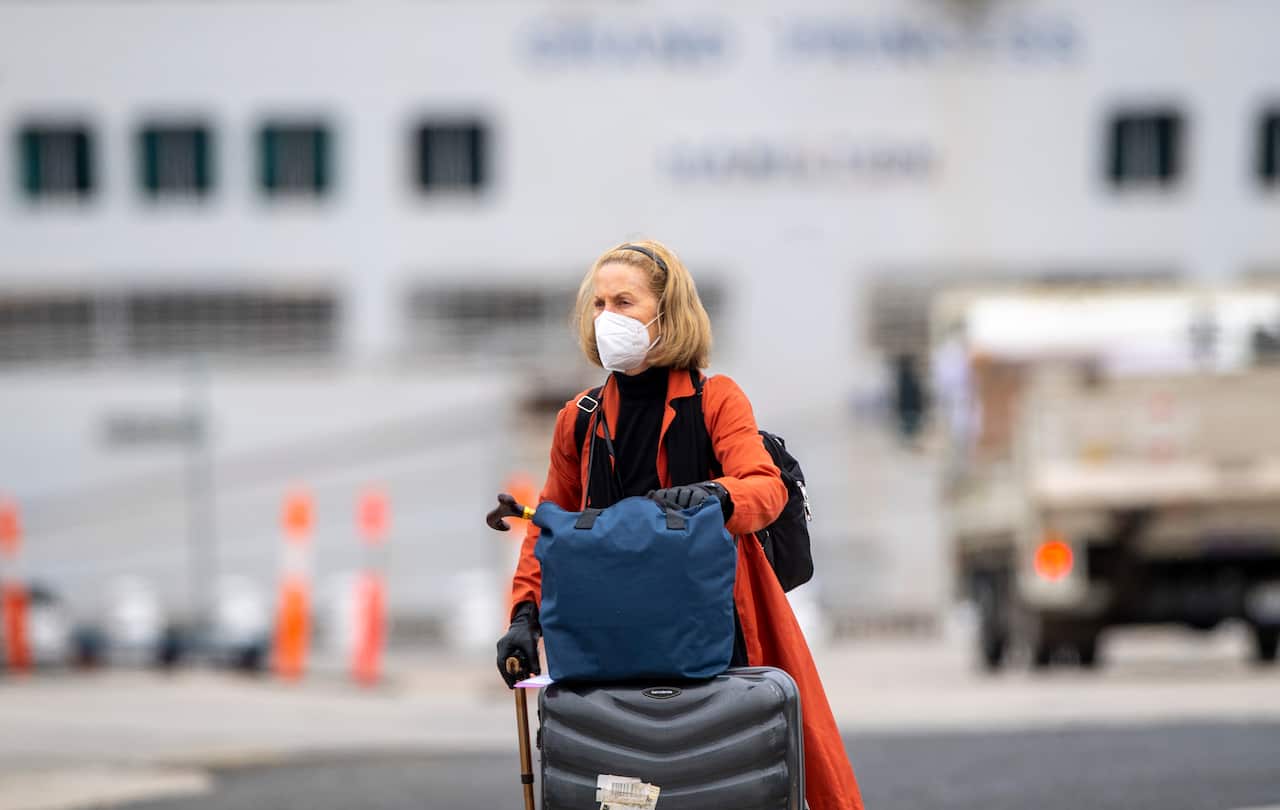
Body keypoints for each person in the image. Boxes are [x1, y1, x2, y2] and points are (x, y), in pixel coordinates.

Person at [497, 240, 864, 810]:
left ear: (668, 316)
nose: (606, 319)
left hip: (715, 635)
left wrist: (718, 494)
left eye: (624, 302)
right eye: (598, 305)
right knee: (625, 790)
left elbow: (765, 486)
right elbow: (549, 525)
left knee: (726, 782)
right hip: (610, 637)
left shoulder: (717, 400)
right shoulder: (579, 421)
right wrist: (524, 617)